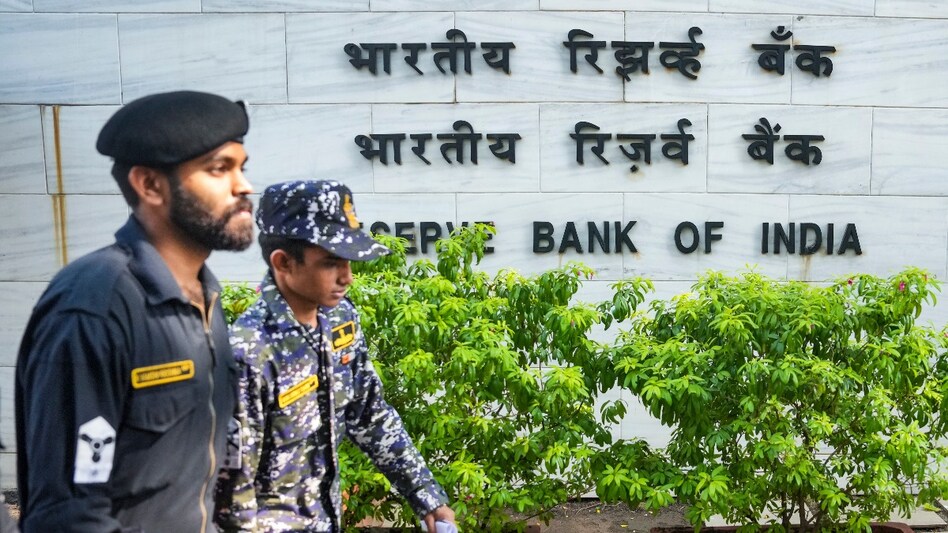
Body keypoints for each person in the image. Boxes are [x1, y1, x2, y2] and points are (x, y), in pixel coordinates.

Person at [15, 90, 254, 532]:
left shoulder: (205, 297)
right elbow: (69, 513)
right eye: (220, 169)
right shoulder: (95, 305)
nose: (243, 186)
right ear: (149, 185)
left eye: (242, 168)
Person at [215, 180, 455, 532]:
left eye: (348, 262)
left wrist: (426, 496)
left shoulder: (339, 318)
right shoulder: (249, 353)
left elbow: (369, 414)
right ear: (283, 263)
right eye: (331, 263)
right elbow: (232, 495)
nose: (347, 277)